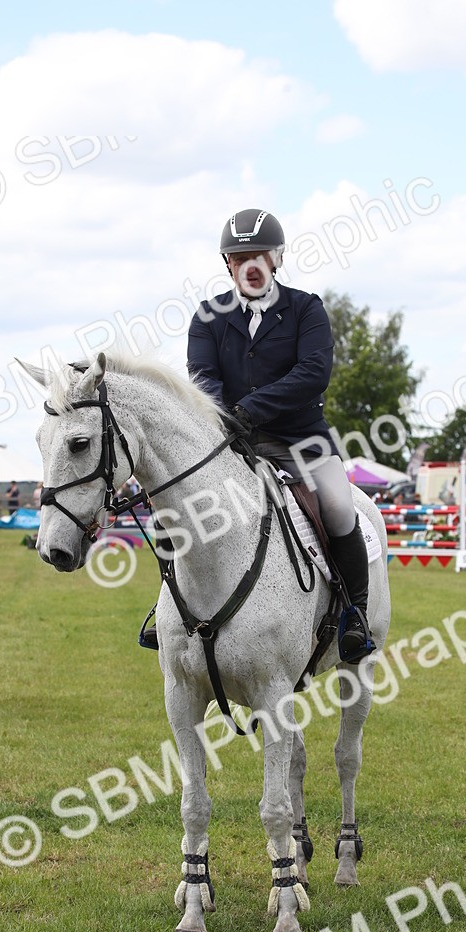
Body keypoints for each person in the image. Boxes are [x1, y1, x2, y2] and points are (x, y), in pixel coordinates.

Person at [185, 207, 375, 663]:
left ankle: (354, 614)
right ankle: (171, 612)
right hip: (235, 445)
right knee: (188, 510)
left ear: (277, 260)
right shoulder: (209, 317)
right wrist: (223, 416)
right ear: (227, 264)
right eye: (239, 256)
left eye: (259, 255)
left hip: (302, 442)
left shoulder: (306, 309)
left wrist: (248, 408)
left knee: (338, 506)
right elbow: (201, 375)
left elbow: (313, 372)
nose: (249, 264)